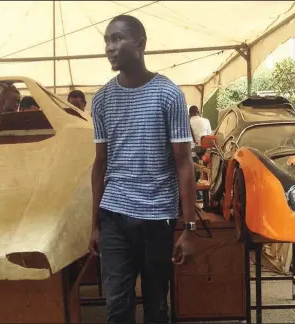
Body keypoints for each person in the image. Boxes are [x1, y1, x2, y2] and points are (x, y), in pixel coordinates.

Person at [87, 14, 197, 324]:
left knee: (156, 306)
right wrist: (94, 224)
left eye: (118, 38)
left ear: (141, 44)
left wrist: (189, 229)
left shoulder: (168, 95)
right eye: (107, 40)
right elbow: (100, 163)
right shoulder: (102, 99)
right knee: (117, 306)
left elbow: (184, 163)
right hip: (114, 217)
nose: (110, 47)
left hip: (156, 219)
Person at [188, 105, 212, 201]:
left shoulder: (187, 122)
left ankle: (196, 193)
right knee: (205, 172)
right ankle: (205, 194)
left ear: (190, 113)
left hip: (192, 152)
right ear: (198, 112)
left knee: (193, 172)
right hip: (204, 152)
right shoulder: (206, 121)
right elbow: (209, 135)